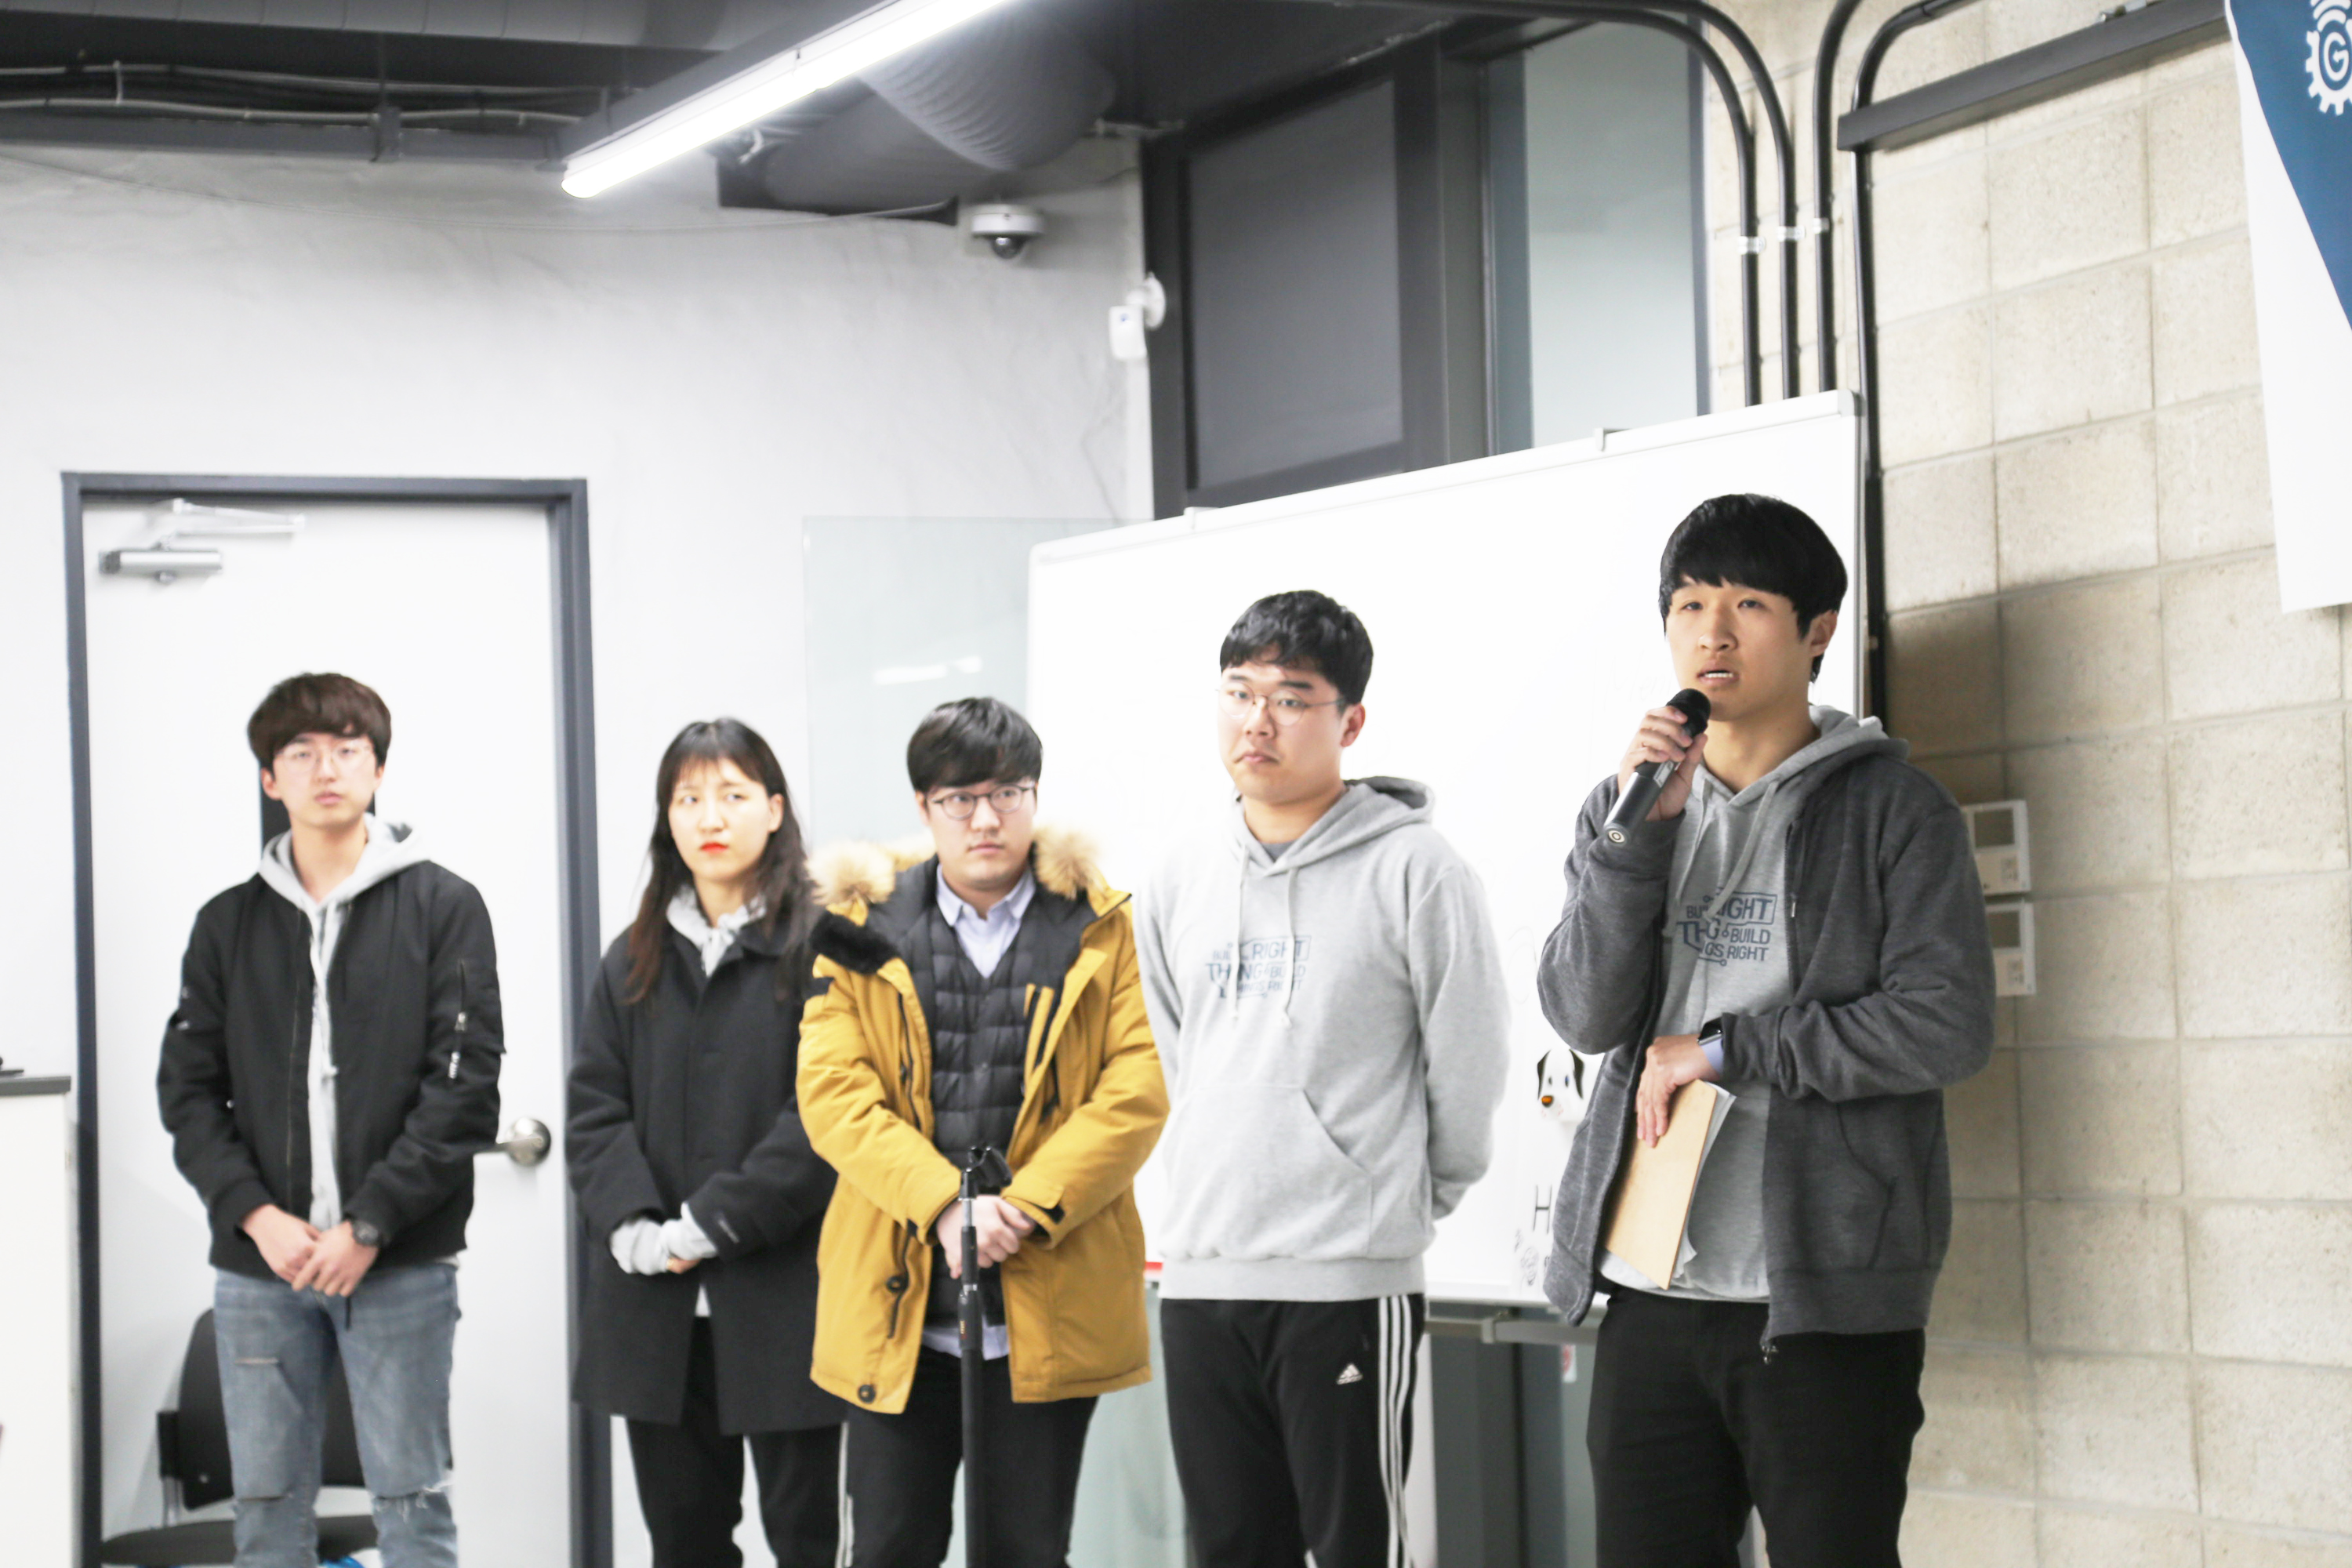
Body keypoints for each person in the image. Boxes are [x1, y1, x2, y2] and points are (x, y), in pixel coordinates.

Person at [1539, 494, 1995, 1568]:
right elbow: (1584, 1012)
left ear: (1817, 629)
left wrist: (1729, 1047)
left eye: (1747, 604)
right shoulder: (1624, 810)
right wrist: (1633, 845)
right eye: (1689, 605)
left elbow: (1945, 1026)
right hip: (1649, 1287)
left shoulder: (1894, 811)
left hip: (1818, 1302)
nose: (1713, 632)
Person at [1135, 590, 1510, 1568]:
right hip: (1203, 1274)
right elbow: (1180, 1057)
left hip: (1344, 1277)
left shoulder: (1418, 870)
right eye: (1240, 691)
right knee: (1228, 1548)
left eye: (1292, 697)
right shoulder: (1177, 874)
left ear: (1351, 721)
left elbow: (1468, 1061)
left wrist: (1395, 1201)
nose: (1257, 720)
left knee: (1355, 1548)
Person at [797, 696, 1167, 1568]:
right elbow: (833, 1094)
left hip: (1048, 1300)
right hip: (897, 1305)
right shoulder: (860, 930)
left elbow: (1137, 1087)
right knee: (888, 1548)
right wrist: (942, 1205)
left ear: (1035, 796)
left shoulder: (1103, 926)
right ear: (924, 807)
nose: (986, 818)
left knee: (1028, 1549)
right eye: (960, 798)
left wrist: (1023, 1207)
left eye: (1007, 792)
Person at [158, 673, 501, 1568]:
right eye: (302, 752)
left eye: (348, 749)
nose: (327, 769)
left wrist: (370, 1225)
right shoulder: (227, 924)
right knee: (267, 1514)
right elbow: (187, 1092)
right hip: (261, 1266)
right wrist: (256, 1216)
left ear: (378, 769)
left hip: (401, 1260)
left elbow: (464, 1087)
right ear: (270, 778)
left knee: (412, 1507)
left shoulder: (444, 906)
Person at [568, 719, 844, 1567]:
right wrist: (635, 1228)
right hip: (655, 1303)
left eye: (731, 794)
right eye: (688, 798)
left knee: (804, 1539)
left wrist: (708, 1225)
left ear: (774, 809)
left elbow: (824, 1118)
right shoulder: (632, 958)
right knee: (684, 1541)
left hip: (788, 1293)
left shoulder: (821, 947)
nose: (709, 817)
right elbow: (593, 1108)